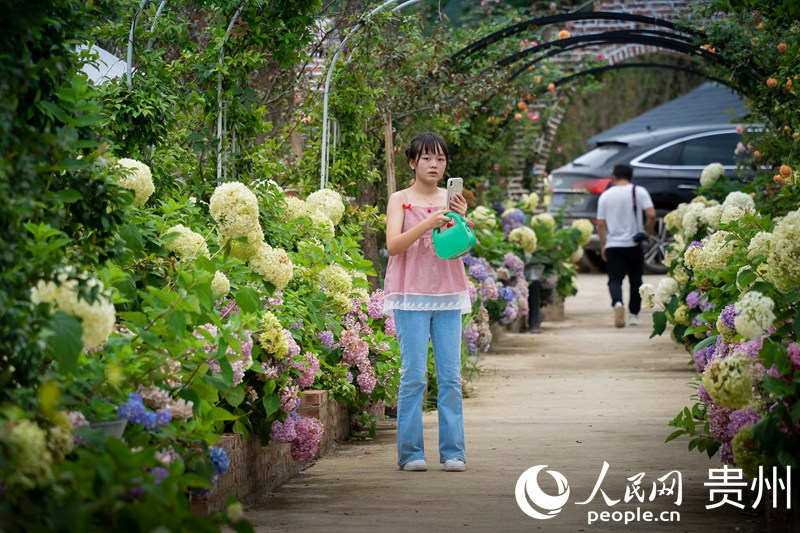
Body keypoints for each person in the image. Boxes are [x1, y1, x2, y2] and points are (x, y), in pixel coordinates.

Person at [382, 132, 471, 472]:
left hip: (448, 292)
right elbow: (393, 245)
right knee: (414, 376)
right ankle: (411, 453)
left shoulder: (451, 199)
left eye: (441, 159)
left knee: (450, 377)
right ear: (412, 162)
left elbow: (460, 249)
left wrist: (462, 220)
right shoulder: (399, 199)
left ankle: (453, 452)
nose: (434, 165)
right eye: (427, 159)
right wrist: (426, 224)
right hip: (410, 295)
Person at [596, 163, 655, 328]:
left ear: (614, 177)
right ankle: (634, 315)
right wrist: (647, 233)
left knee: (614, 280)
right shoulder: (639, 191)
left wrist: (603, 245)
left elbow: (600, 223)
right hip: (634, 244)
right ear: (631, 176)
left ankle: (617, 304)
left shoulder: (606, 196)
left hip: (613, 245)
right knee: (636, 280)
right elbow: (651, 214)